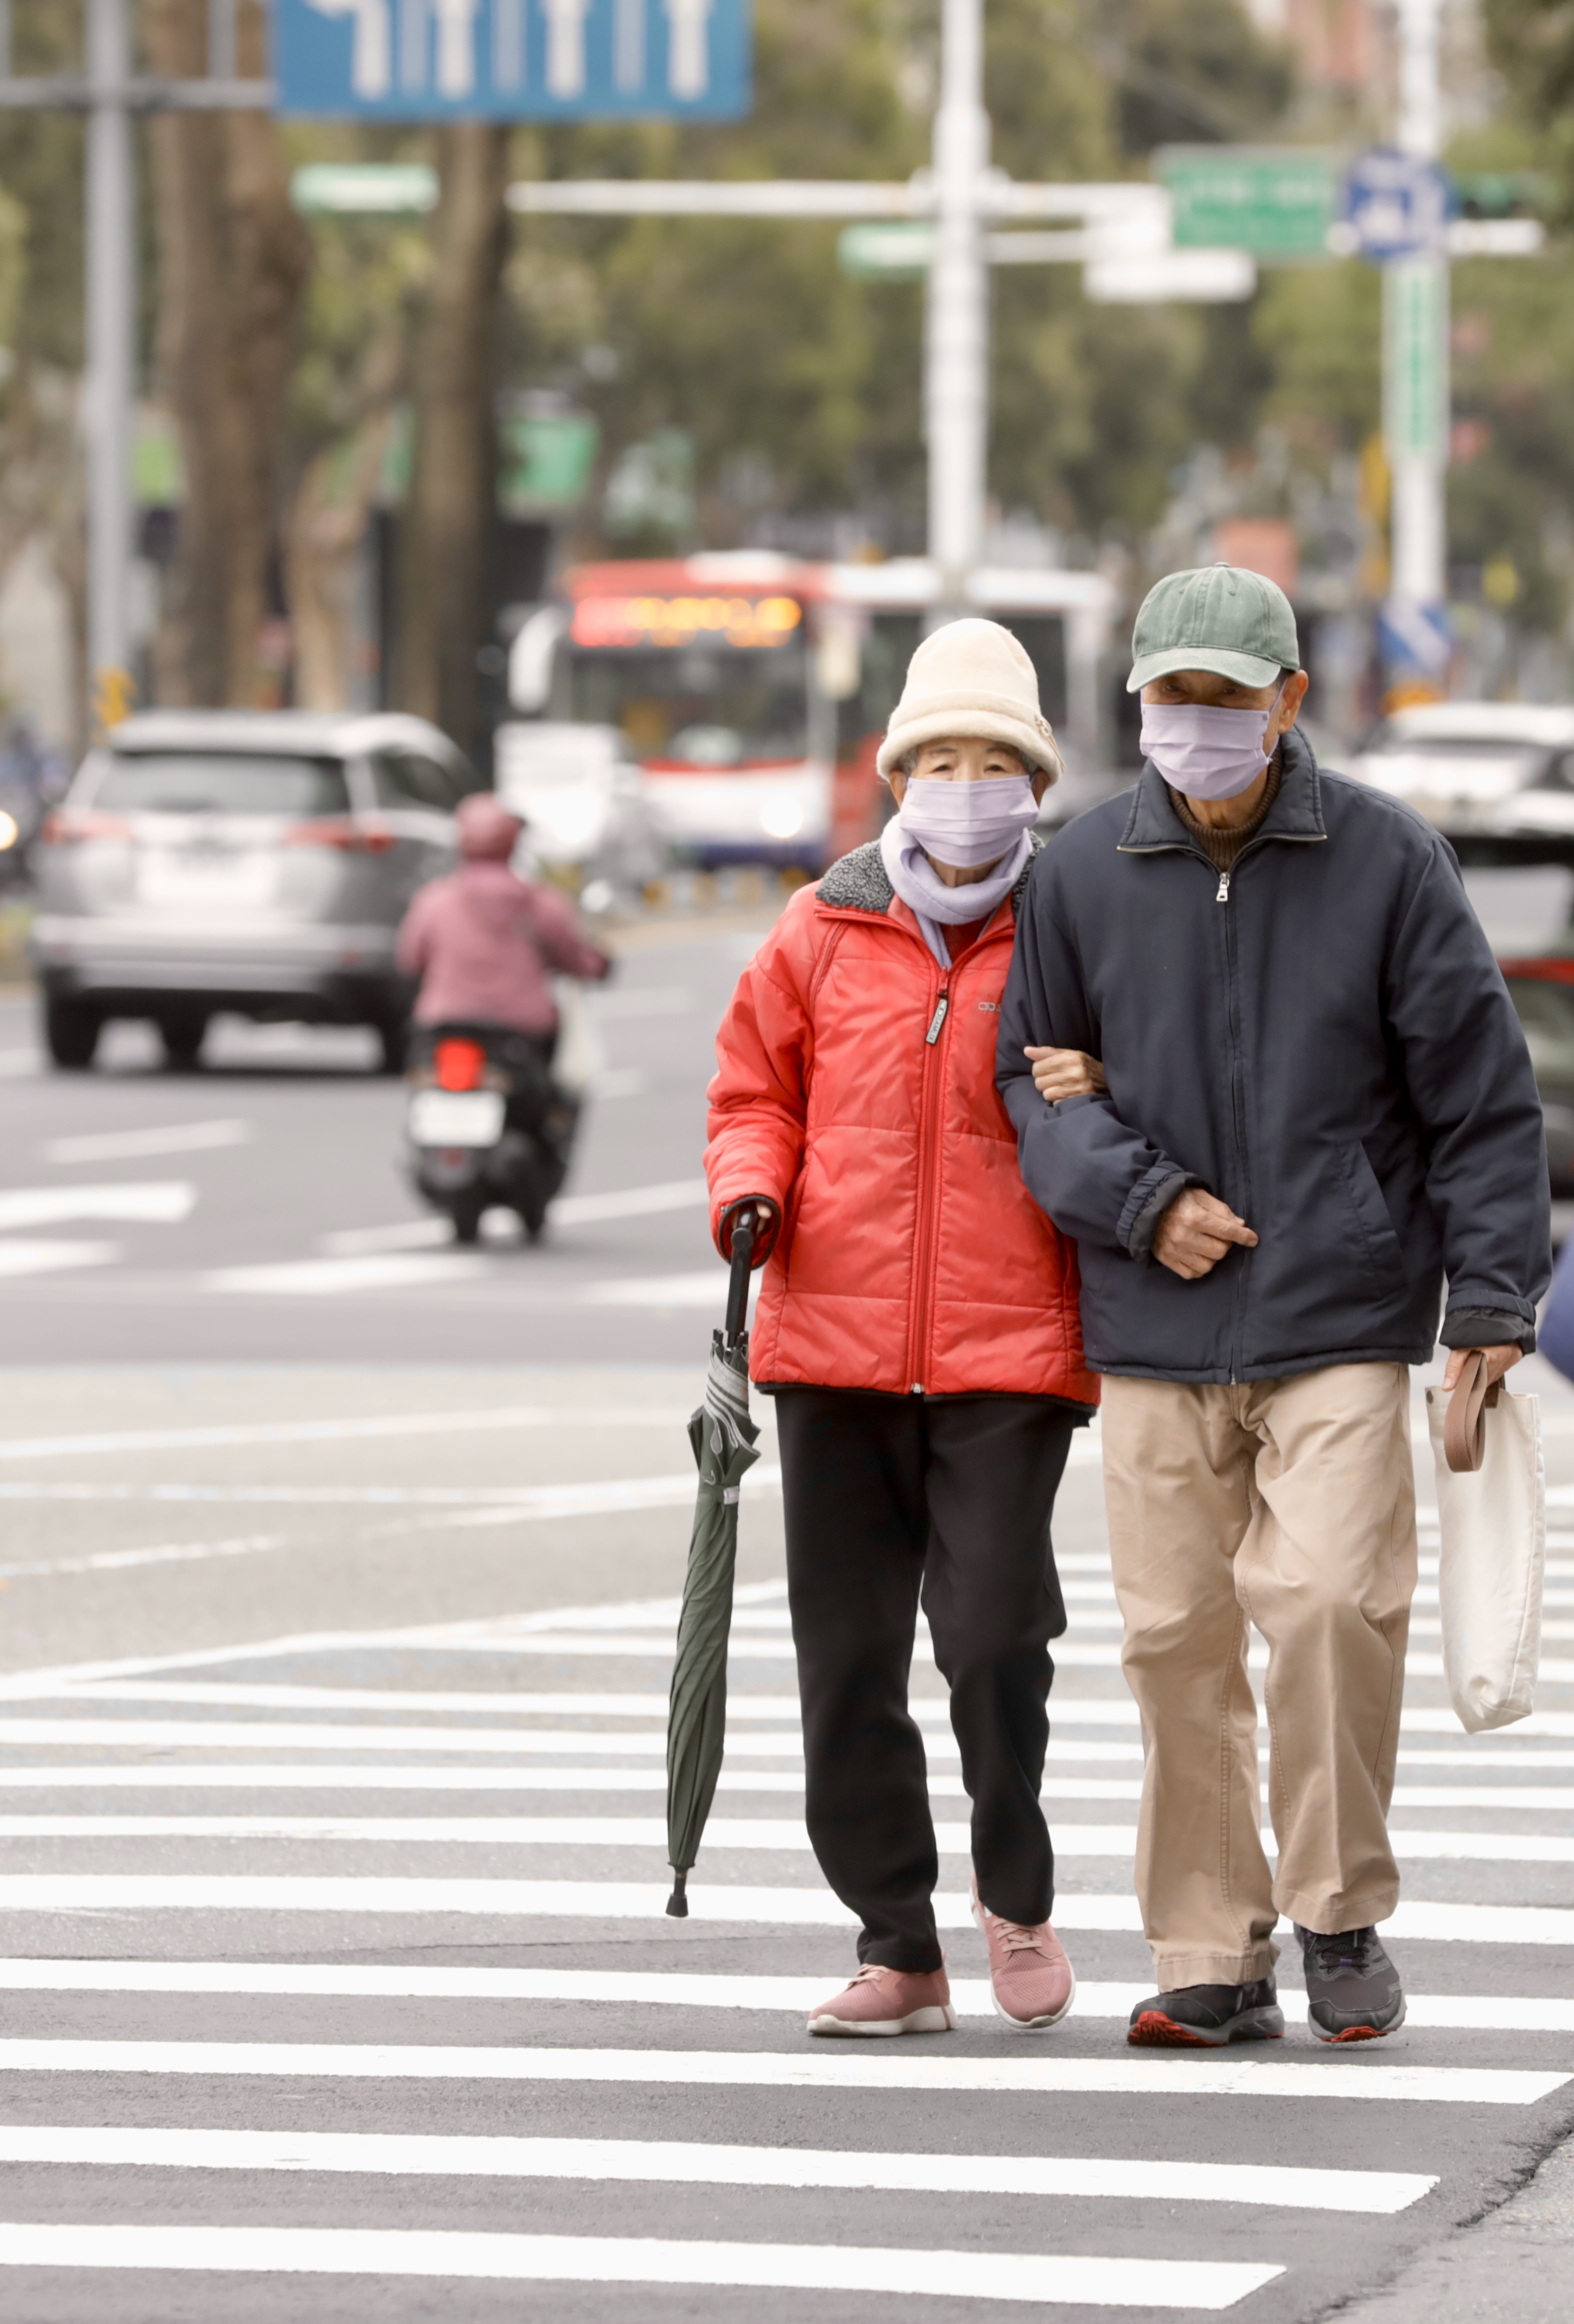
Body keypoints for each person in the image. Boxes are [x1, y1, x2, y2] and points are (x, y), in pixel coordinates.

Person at [994, 564, 1549, 2049]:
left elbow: (1480, 1096)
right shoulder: (1079, 872)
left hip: (1339, 1308)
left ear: (1288, 701)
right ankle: (1208, 1949)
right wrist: (1143, 1201)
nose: (1195, 721)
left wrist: (1492, 1295)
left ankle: (1339, 1914)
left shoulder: (1389, 861)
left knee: (1328, 1607)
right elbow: (1026, 1086)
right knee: (1175, 1640)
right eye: (1170, 695)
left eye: (1225, 696)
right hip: (1153, 1321)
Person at [705, 618, 1095, 2039]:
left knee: (994, 1637)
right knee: (848, 1661)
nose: (967, 786)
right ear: (898, 776)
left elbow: (1128, 1096)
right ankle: (897, 1943)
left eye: (996, 762)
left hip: (1012, 1348)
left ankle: (1015, 1892)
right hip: (832, 1344)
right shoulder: (822, 925)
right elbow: (754, 1091)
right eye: (942, 760)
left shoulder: (1074, 927)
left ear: (1035, 783)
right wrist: (749, 1189)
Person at [396, 792, 615, 1156]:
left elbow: (409, 960)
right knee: (557, 1099)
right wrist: (598, 964)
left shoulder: (433, 901)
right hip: (521, 1034)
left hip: (441, 1025)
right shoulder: (540, 903)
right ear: (513, 841)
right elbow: (576, 957)